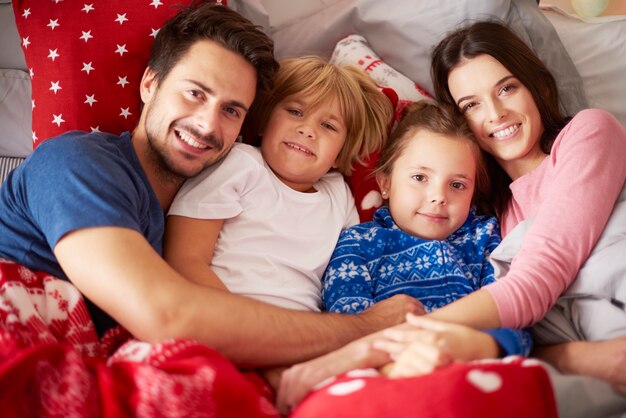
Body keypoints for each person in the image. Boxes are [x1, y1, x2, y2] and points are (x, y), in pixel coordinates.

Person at [0, 1, 419, 370]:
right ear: (150, 84)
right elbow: (166, 318)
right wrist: (363, 328)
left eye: (232, 110)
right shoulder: (78, 163)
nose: (207, 124)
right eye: (195, 93)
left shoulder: (180, 213)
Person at [277, 20, 626, 411]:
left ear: (537, 86)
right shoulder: (490, 216)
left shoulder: (588, 132)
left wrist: (358, 353)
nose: (494, 113)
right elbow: (522, 332)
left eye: (507, 88)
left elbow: (533, 289)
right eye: (471, 105)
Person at [164, 56, 393, 312]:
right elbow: (184, 260)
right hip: (222, 316)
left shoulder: (339, 195)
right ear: (263, 120)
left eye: (328, 126)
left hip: (308, 333)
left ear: (340, 154)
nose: (307, 130)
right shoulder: (240, 164)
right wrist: (247, 326)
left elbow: (351, 273)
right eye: (295, 112)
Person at [322, 100, 531, 360]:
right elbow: (346, 329)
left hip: (473, 361)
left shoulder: (485, 238)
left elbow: (517, 327)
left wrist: (477, 345)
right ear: (385, 183)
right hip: (388, 368)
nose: (438, 197)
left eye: (457, 185)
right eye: (420, 178)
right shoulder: (359, 244)